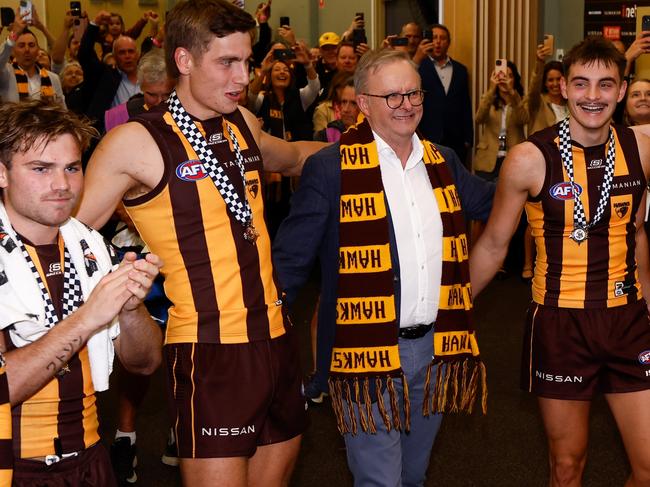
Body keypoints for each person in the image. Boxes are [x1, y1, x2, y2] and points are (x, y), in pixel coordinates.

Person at [76, 1, 325, 485]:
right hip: (209, 352)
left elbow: (297, 158)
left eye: (247, 62)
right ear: (184, 61)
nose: (243, 77)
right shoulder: (134, 142)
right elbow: (64, 235)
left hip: (277, 339)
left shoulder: (242, 125)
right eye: (227, 63)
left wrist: (372, 139)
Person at [273, 49, 492, 487]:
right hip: (364, 349)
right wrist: (264, 330)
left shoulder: (443, 161)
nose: (406, 104)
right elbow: (291, 261)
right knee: (380, 481)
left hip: (436, 347)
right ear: (364, 103)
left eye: (413, 93)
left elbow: (493, 202)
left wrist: (549, 173)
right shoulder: (329, 170)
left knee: (414, 474)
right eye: (391, 96)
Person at [470, 37, 650, 486]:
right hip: (560, 324)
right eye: (582, 84)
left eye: (605, 84)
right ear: (564, 89)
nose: (593, 96)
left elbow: (638, 232)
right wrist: (444, 309)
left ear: (622, 91)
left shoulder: (642, 149)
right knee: (567, 467)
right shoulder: (530, 158)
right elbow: (493, 244)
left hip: (627, 320)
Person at [0, 100, 163, 485]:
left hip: (89, 458)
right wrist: (89, 317)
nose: (62, 185)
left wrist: (130, 309)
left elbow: (145, 364)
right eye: (41, 169)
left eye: (72, 168)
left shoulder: (90, 246)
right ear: (2, 173)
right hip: (14, 466)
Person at [417, 24, 474, 166]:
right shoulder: (419, 67)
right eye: (434, 38)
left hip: (456, 139)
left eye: (442, 38)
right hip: (427, 135)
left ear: (448, 42)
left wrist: (468, 138)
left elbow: (465, 104)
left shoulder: (460, 70)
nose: (437, 42)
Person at [78, 11, 141, 132]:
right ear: (114, 57)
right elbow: (85, 55)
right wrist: (94, 24)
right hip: (112, 136)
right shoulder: (106, 76)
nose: (127, 56)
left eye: (131, 51)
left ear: (137, 55)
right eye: (122, 52)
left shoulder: (149, 78)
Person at [0, 19, 65, 106]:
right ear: (13, 51)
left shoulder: (53, 78)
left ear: (38, 50)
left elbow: (62, 111)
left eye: (31, 45)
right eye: (21, 46)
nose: (27, 50)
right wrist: (14, 35)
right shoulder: (5, 73)